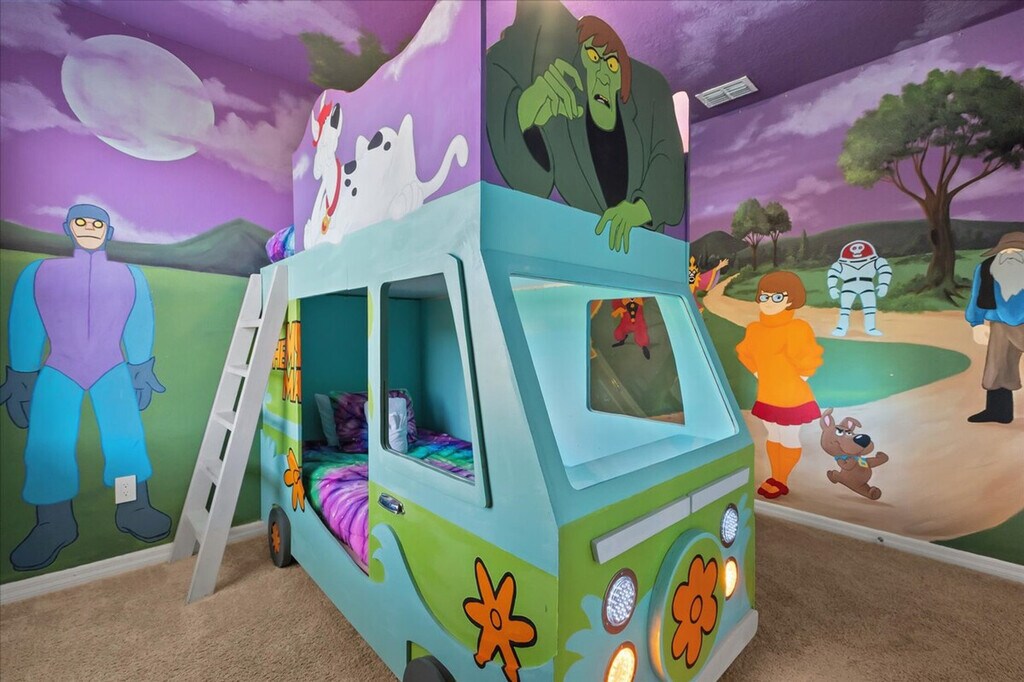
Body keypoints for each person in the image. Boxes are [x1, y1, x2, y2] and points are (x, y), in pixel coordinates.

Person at [0, 204, 171, 571]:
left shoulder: (130, 276)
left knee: (125, 438)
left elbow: (140, 319)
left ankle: (133, 507)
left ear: (108, 232)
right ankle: (53, 523)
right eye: (81, 222)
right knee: (49, 443)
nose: (89, 228)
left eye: (97, 223)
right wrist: (22, 374)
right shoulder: (40, 273)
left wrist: (140, 366)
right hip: (60, 365)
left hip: (112, 366)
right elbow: (26, 320)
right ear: (68, 227)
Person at [486, 0, 685, 253]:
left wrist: (639, 210)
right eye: (593, 58)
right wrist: (527, 114)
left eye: (612, 65)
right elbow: (532, 184)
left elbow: (667, 164)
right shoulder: (563, 114)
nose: (603, 74)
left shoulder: (651, 93)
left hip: (644, 255)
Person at [736, 272, 824, 499]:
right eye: (764, 296)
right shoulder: (754, 329)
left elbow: (809, 359)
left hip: (792, 397)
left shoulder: (797, 327)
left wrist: (796, 379)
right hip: (767, 394)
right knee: (773, 435)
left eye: (777, 297)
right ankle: (776, 476)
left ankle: (781, 480)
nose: (768, 302)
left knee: (788, 436)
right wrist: (759, 373)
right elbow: (744, 353)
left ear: (791, 299)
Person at [965, 231, 1024, 424]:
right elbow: (976, 297)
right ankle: (999, 411)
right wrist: (976, 323)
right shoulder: (985, 268)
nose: (1010, 254)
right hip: (999, 324)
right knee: (997, 367)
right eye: (1006, 250)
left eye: (1017, 250)